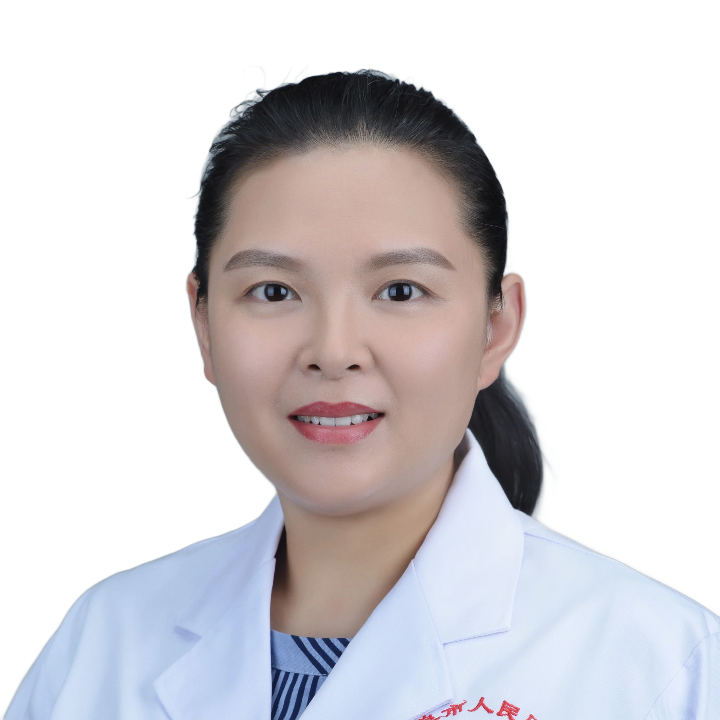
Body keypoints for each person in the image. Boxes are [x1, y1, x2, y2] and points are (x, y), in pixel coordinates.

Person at [5, 69, 718, 720]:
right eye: (274, 291)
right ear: (204, 325)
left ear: (495, 328)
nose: (334, 350)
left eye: (401, 291)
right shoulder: (101, 647)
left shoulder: (663, 667)